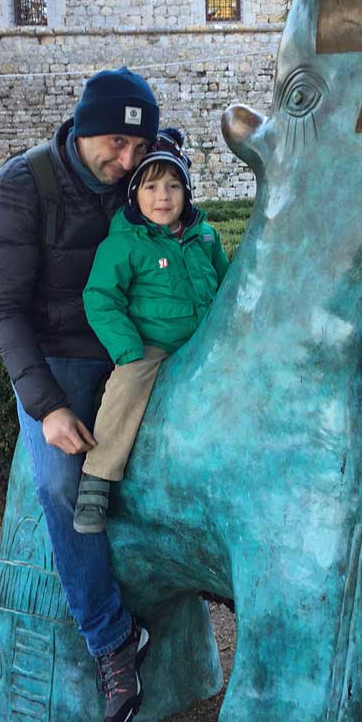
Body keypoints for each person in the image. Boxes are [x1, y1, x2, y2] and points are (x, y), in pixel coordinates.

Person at [0, 66, 160, 722]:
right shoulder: (20, 186)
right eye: (116, 144)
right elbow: (1, 308)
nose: (128, 162)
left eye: (139, 148)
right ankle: (112, 640)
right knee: (60, 484)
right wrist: (49, 407)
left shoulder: (141, 175)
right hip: (58, 357)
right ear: (83, 131)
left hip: (131, 349)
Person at [74, 131, 229, 533]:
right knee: (126, 386)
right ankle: (97, 478)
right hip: (152, 345)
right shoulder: (125, 244)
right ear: (135, 196)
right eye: (152, 187)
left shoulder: (205, 237)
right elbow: (100, 297)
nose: (164, 196)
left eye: (173, 186)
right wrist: (128, 348)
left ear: (186, 192)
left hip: (205, 342)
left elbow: (228, 287)